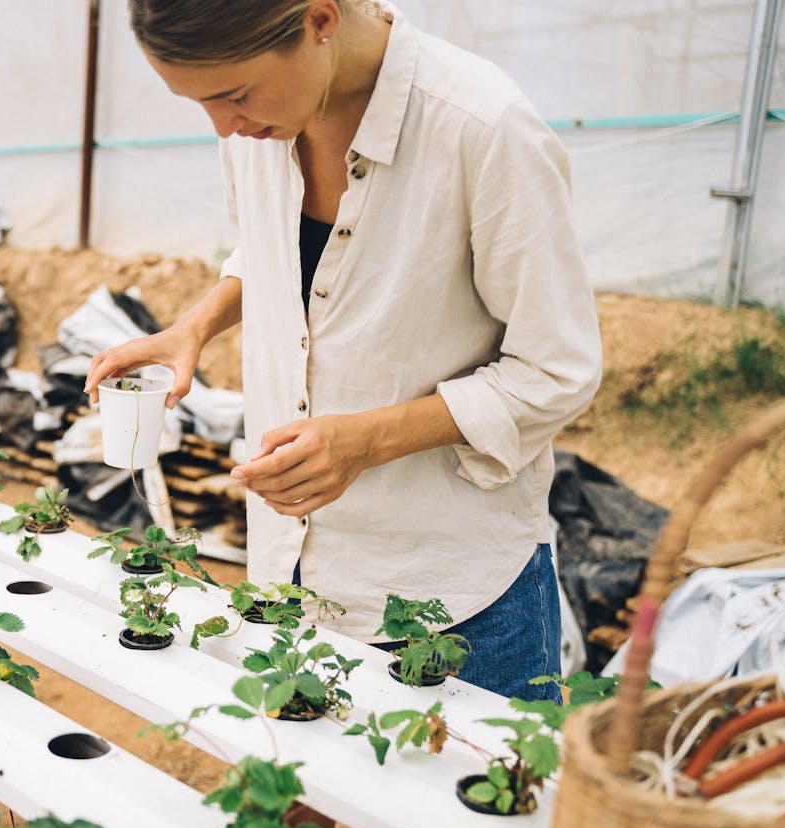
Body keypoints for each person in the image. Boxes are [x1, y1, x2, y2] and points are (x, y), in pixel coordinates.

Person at [85, 0, 602, 702]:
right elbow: (276, 250)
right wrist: (195, 325)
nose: (223, 127)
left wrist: (366, 440)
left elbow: (556, 369)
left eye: (233, 95)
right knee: (285, 806)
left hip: (455, 594)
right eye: (199, 104)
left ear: (320, 21)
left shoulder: (483, 130)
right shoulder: (258, 121)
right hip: (287, 566)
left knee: (456, 809)